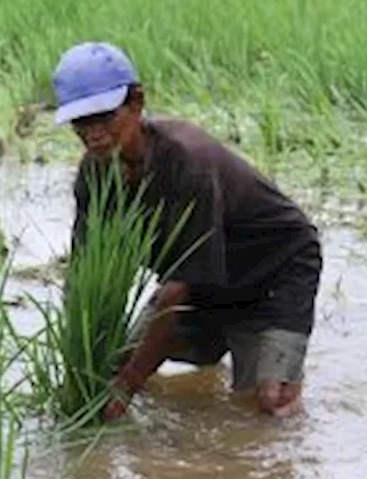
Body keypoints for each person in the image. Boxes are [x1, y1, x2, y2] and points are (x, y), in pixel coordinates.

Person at [51, 41, 322, 422]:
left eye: (105, 117)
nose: (94, 134)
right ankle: (222, 352)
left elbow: (175, 294)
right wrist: (81, 370)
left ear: (137, 102)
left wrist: (126, 387)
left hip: (274, 269)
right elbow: (81, 279)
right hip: (204, 278)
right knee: (117, 361)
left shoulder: (187, 164)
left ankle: (276, 363)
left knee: (268, 405)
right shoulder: (93, 178)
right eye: (82, 123)